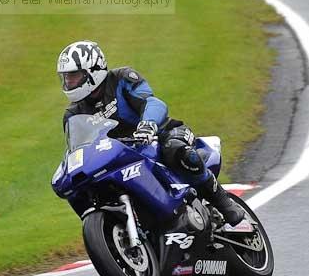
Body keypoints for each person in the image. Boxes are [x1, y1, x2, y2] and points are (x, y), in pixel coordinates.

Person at [57, 40, 244, 226]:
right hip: (120, 156)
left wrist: (147, 125)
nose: (68, 82)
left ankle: (223, 203)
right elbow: (79, 147)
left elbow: (153, 103)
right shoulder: (73, 114)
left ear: (93, 71)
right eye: (65, 77)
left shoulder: (122, 78)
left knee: (176, 150)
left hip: (160, 135)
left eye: (73, 76)